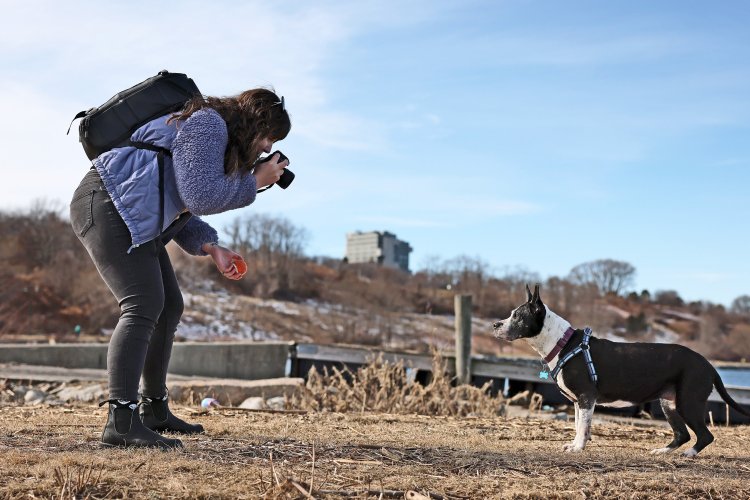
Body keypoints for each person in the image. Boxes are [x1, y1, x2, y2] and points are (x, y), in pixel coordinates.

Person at [69, 88, 291, 449]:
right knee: (143, 303)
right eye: (269, 137)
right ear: (256, 122)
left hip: (130, 213)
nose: (267, 148)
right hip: (107, 204)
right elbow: (199, 195)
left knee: (169, 304)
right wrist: (254, 181)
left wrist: (211, 246)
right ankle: (121, 422)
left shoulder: (211, 133)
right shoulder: (208, 124)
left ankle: (154, 410)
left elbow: (180, 197)